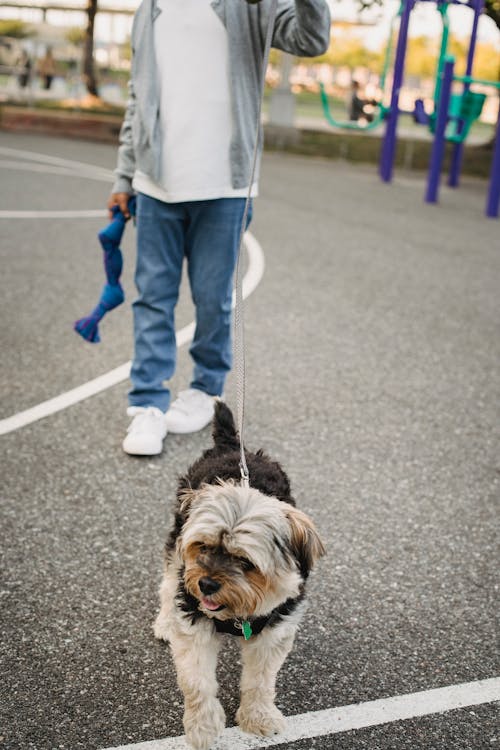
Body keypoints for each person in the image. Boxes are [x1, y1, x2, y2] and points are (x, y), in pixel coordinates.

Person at [109, 0, 331, 456]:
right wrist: (124, 176)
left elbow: (310, 39)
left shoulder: (251, 6)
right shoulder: (150, 9)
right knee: (153, 296)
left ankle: (206, 390)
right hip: (155, 184)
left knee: (213, 300)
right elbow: (139, 96)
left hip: (224, 187)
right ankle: (147, 403)